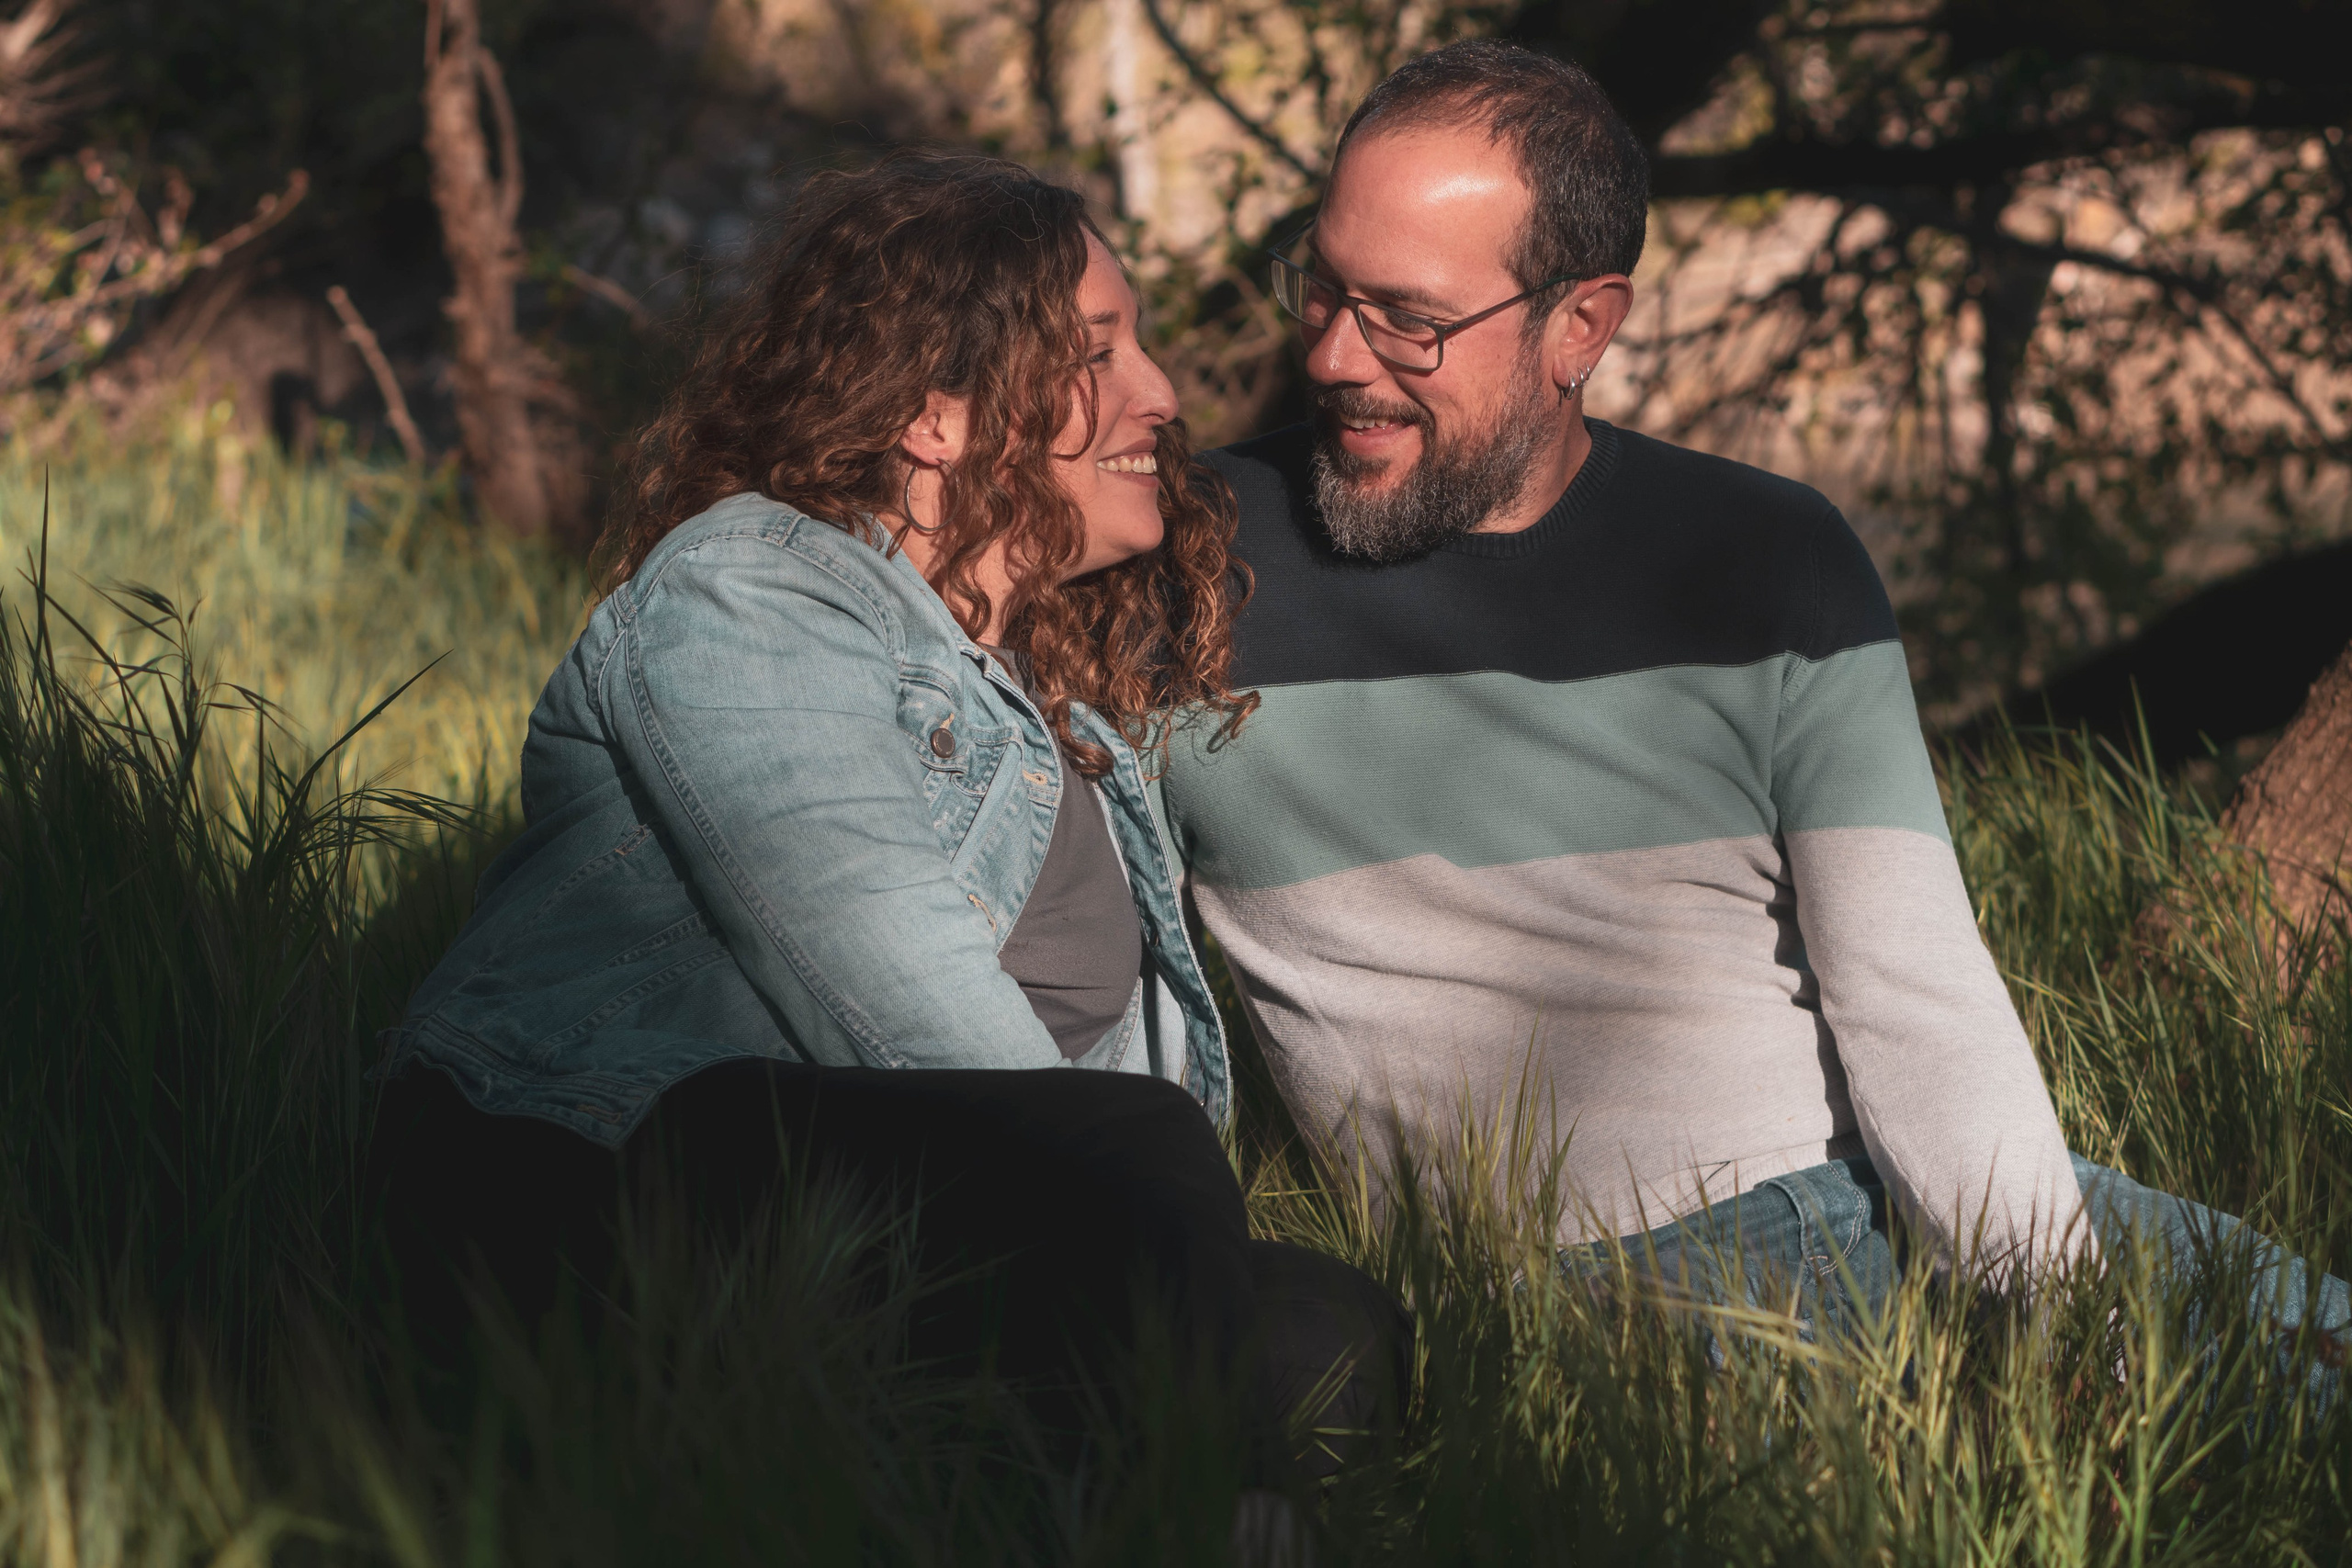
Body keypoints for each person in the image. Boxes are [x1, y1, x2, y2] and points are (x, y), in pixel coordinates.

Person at [1158, 39, 2346, 1373]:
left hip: (1907, 1185)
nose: (1334, 353)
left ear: (1580, 329)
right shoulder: (1181, 566)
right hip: (1622, 1291)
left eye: (1407, 319)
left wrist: (2057, 1312)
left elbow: (1913, 988)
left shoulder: (1771, 557)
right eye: (1321, 286)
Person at [369, 152, 1408, 1476]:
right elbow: (908, 1013)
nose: (1160, 394)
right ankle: (1204, 1517)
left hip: (937, 1219)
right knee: (1133, 1173)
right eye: (1098, 353)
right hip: (599, 1185)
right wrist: (1125, 1203)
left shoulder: (1075, 722)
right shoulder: (752, 587)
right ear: (935, 417)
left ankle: (1039, 1483)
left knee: (1331, 1328)